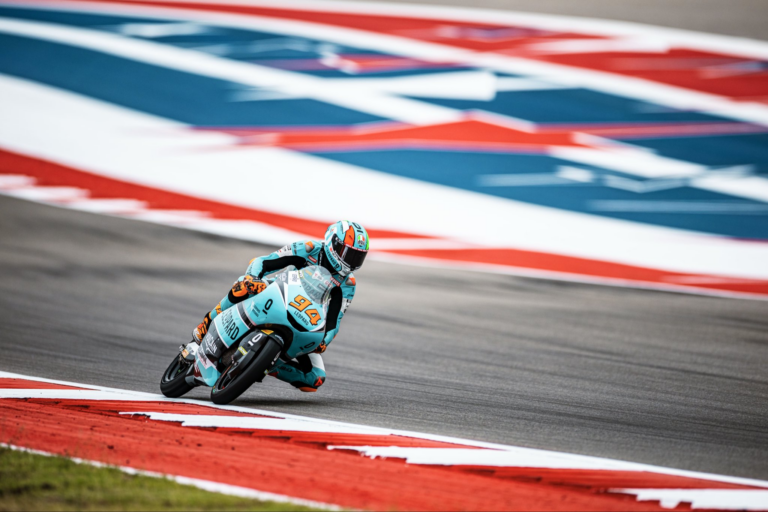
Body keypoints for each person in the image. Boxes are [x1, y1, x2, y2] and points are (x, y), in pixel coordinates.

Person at [190, 221, 369, 392]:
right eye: (348, 254)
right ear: (333, 243)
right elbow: (263, 262)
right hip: (276, 292)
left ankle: (266, 365)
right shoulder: (309, 249)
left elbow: (334, 321)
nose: (352, 261)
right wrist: (253, 277)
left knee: (315, 378)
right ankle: (207, 322)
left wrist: (324, 341)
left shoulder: (348, 284)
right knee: (243, 285)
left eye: (358, 256)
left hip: (305, 319)